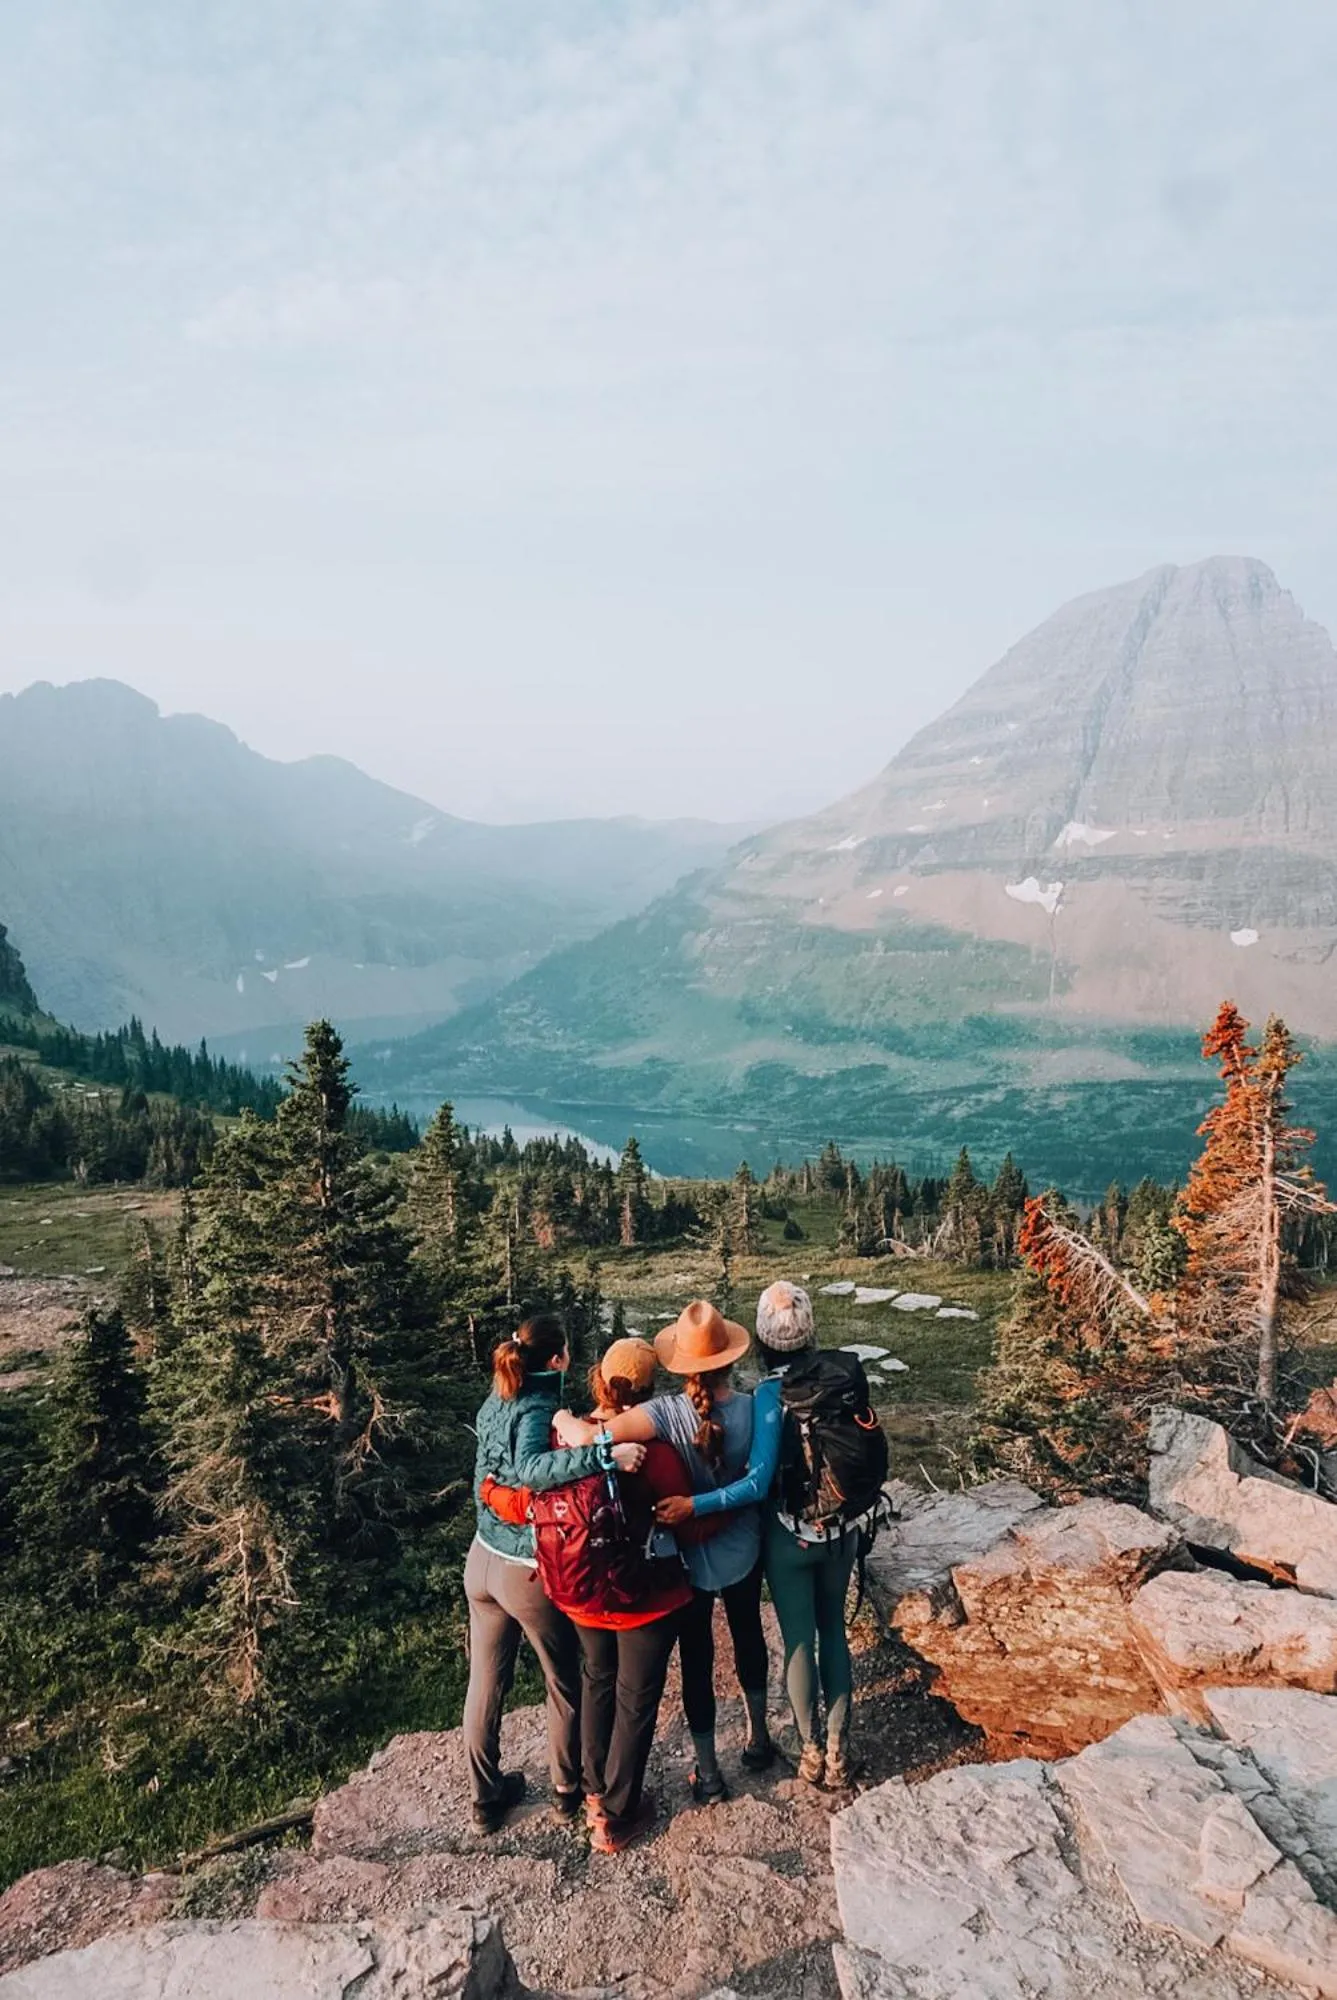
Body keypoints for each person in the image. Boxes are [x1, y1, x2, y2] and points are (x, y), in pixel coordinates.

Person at [482, 1336, 707, 1853]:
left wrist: (491, 1493)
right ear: (650, 1392)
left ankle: (591, 1793)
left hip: (580, 1593)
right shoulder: (655, 1452)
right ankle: (619, 1815)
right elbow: (686, 1522)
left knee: (596, 1681)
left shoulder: (565, 1438)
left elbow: (531, 1499)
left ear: (601, 1382)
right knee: (635, 1699)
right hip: (643, 1599)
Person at [555, 1299, 774, 1798]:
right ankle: (759, 1739)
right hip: (742, 1549)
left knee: (698, 1660)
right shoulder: (754, 1408)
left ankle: (709, 1773)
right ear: (729, 1359)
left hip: (689, 1561)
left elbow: (599, 1437)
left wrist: (568, 1423)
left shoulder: (663, 1413)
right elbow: (761, 1480)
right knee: (748, 1638)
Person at [656, 1282, 859, 1790]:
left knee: (798, 1641)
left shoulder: (768, 1396)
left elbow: (758, 1480)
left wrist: (693, 1506)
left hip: (790, 1537)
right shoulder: (845, 1376)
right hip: (842, 1530)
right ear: (811, 1331)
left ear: (764, 1342)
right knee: (833, 1630)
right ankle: (839, 1750)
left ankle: (809, 1750)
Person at [465, 1313, 645, 1834]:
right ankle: (566, 1790)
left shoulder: (498, 1393)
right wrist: (603, 1455)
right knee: (564, 1680)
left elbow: (488, 1473)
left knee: (484, 1680)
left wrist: (499, 1503)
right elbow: (532, 1469)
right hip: (524, 1569)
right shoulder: (540, 1403)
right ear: (558, 1359)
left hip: (481, 1558)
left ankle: (484, 1799)